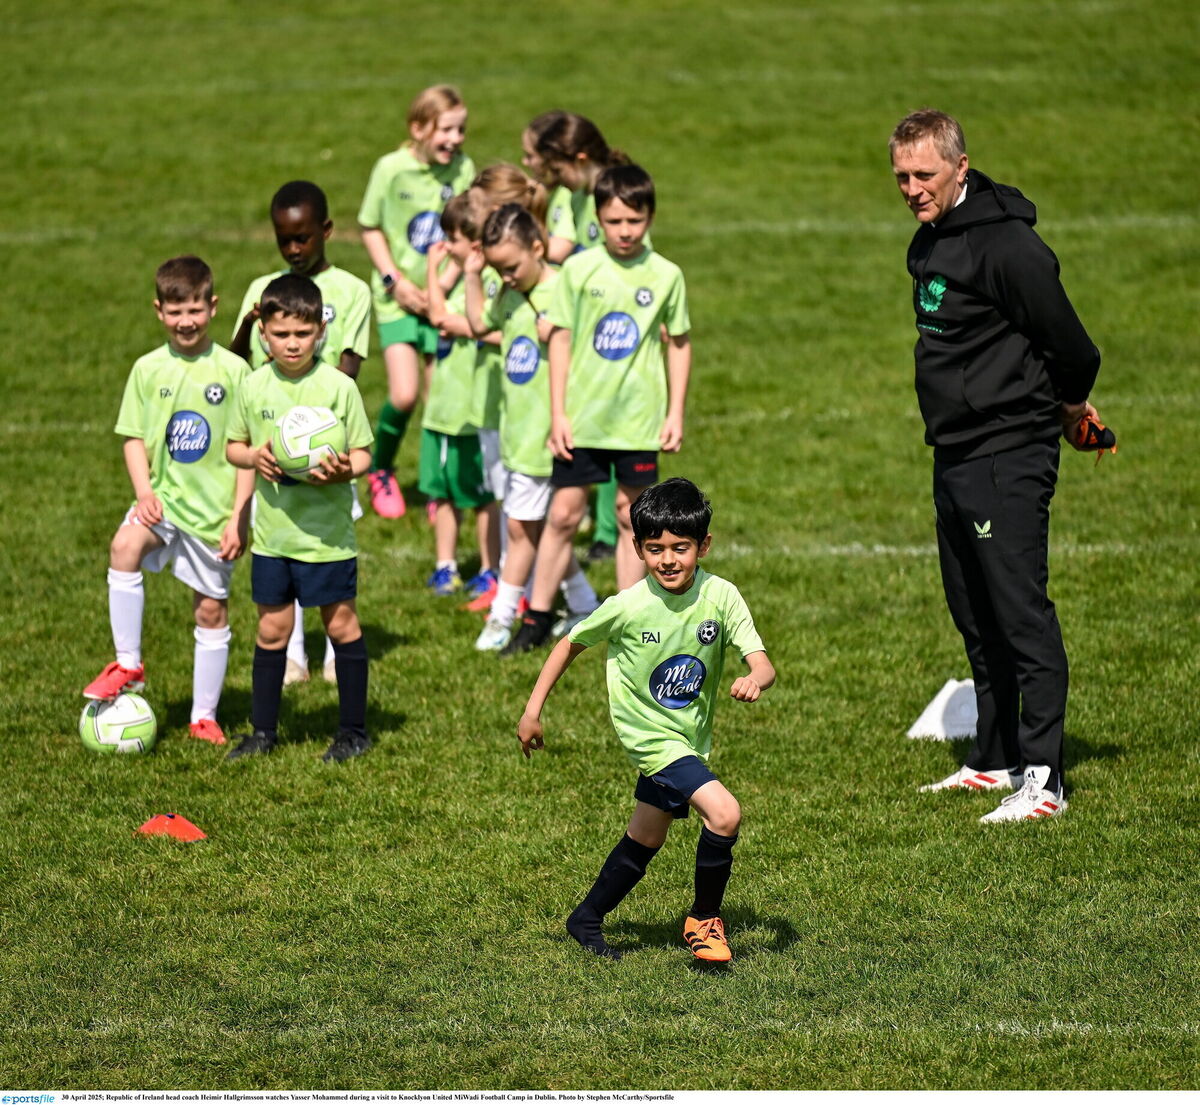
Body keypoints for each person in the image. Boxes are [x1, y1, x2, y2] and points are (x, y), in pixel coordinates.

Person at [889, 109, 1104, 822]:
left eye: (924, 174)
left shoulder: (1007, 246)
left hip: (1005, 452)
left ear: (961, 166)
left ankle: (1043, 780)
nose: (912, 188)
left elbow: (1073, 345)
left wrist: (1070, 409)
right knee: (975, 614)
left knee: (1019, 613)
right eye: (902, 177)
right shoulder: (932, 240)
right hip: (952, 451)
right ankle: (994, 756)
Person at [517, 478, 775, 961]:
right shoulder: (628, 606)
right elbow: (568, 643)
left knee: (647, 834)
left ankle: (586, 917)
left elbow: (762, 661)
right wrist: (533, 711)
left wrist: (756, 678)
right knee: (725, 814)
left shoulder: (721, 596)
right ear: (637, 548)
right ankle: (704, 922)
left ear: (704, 545)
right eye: (655, 549)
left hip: (688, 737)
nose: (668, 560)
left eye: (681, 547)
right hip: (649, 737)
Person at [503, 163, 692, 655]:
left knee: (635, 517)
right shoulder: (581, 270)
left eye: (635, 221)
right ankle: (538, 616)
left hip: (637, 420)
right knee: (564, 514)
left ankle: (630, 616)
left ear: (650, 217)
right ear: (599, 219)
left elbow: (679, 342)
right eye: (614, 221)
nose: (625, 231)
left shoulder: (666, 275)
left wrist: (674, 412)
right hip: (583, 418)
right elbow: (560, 339)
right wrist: (559, 413)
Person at [83, 256, 254, 747]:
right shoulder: (146, 369)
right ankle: (128, 665)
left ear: (213, 307)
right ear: (158, 311)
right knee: (124, 547)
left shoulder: (234, 371)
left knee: (210, 613)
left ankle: (203, 716)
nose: (186, 321)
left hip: (213, 512)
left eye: (196, 310)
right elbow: (133, 437)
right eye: (175, 311)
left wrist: (238, 518)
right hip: (163, 502)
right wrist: (144, 492)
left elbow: (245, 454)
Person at [225, 275, 374, 763]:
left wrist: (342, 471)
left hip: (327, 539)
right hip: (273, 537)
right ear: (263, 334)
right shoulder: (253, 386)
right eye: (282, 334)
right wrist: (255, 460)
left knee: (341, 626)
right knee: (271, 631)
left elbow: (364, 455)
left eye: (303, 334)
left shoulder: (338, 387)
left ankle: (353, 731)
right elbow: (234, 447)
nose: (293, 344)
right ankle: (263, 732)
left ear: (321, 332)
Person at [230, 180, 372, 687]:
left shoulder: (353, 290)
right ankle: (291, 653)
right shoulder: (262, 287)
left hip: (325, 441)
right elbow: (237, 361)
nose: (293, 249)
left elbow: (350, 366)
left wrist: (317, 432)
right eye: (283, 239)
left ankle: (338, 650)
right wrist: (249, 324)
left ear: (325, 232)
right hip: (269, 435)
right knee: (279, 543)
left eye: (303, 238)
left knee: (327, 540)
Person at [465, 204, 598, 651]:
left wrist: (562, 334)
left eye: (512, 266)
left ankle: (502, 616)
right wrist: (470, 276)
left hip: (553, 432)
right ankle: (583, 602)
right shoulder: (507, 294)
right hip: (518, 432)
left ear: (538, 248)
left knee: (523, 530)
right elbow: (478, 323)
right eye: (498, 268)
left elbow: (590, 352)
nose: (506, 276)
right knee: (540, 530)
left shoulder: (564, 289)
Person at [358, 84, 475, 520]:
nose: (456, 139)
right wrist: (395, 282)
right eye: (447, 129)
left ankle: (436, 485)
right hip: (396, 300)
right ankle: (381, 469)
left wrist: (439, 289)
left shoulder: (463, 170)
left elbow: (467, 232)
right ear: (419, 128)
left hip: (442, 298)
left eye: (461, 129)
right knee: (404, 395)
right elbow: (370, 227)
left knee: (438, 398)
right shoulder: (390, 169)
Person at [531, 112, 640, 563]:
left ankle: (610, 529)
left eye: (556, 170)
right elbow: (565, 252)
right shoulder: (572, 197)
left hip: (613, 327)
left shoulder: (614, 193)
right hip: (582, 317)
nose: (553, 179)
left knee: (615, 426)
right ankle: (600, 524)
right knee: (590, 418)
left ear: (578, 159)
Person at [419, 194, 501, 596]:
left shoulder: (488, 283)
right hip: (443, 410)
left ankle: (490, 568)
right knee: (443, 493)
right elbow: (436, 313)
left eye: (452, 238)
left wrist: (435, 272)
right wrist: (435, 269)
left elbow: (443, 316)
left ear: (474, 241)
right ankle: (445, 565)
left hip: (473, 411)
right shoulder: (458, 278)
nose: (446, 245)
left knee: (484, 496)